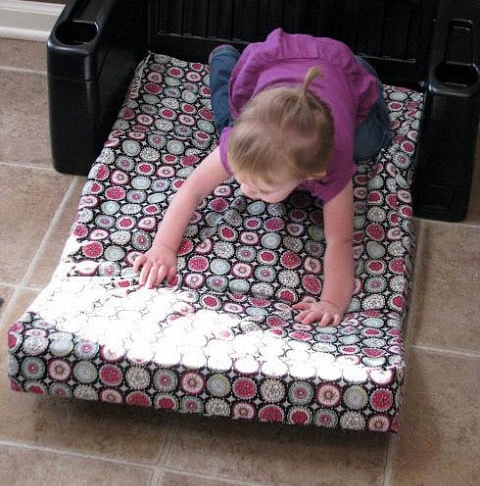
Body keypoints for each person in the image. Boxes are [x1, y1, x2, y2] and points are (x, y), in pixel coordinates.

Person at [133, 28, 392, 327]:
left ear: (311, 175)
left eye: (262, 189)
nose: (245, 190)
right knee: (226, 122)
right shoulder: (240, 143)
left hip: (339, 67)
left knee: (370, 146)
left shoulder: (333, 168)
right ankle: (225, 61)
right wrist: (163, 247)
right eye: (243, 179)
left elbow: (340, 240)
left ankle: (365, 70)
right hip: (273, 63)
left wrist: (332, 301)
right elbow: (192, 189)